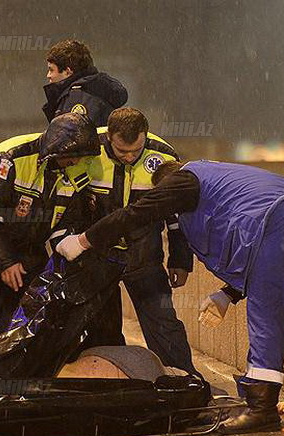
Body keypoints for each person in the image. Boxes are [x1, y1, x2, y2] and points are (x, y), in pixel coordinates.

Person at [56, 160, 284, 434]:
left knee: (265, 317)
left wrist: (83, 241)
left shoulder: (185, 180)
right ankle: (259, 398)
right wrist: (227, 294)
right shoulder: (220, 178)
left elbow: (136, 213)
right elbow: (259, 266)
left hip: (277, 220)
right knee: (277, 309)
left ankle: (261, 410)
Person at [0, 113, 100, 379]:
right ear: (57, 147)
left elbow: (60, 223)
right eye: (75, 155)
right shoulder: (9, 157)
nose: (78, 162)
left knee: (18, 344)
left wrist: (72, 249)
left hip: (23, 266)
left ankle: (7, 405)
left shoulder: (72, 171)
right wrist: (4, 262)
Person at [68, 107, 197, 374]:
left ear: (145, 137)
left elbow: (177, 216)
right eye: (121, 151)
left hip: (144, 256)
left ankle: (183, 381)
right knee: (102, 327)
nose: (128, 157)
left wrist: (180, 259)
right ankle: (113, 384)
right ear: (109, 138)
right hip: (98, 258)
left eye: (135, 151)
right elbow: (70, 207)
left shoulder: (163, 156)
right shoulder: (87, 148)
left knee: (163, 323)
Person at [42, 39, 128, 127]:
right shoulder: (95, 90)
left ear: (68, 71)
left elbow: (69, 138)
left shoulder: (77, 98)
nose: (48, 75)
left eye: (51, 69)